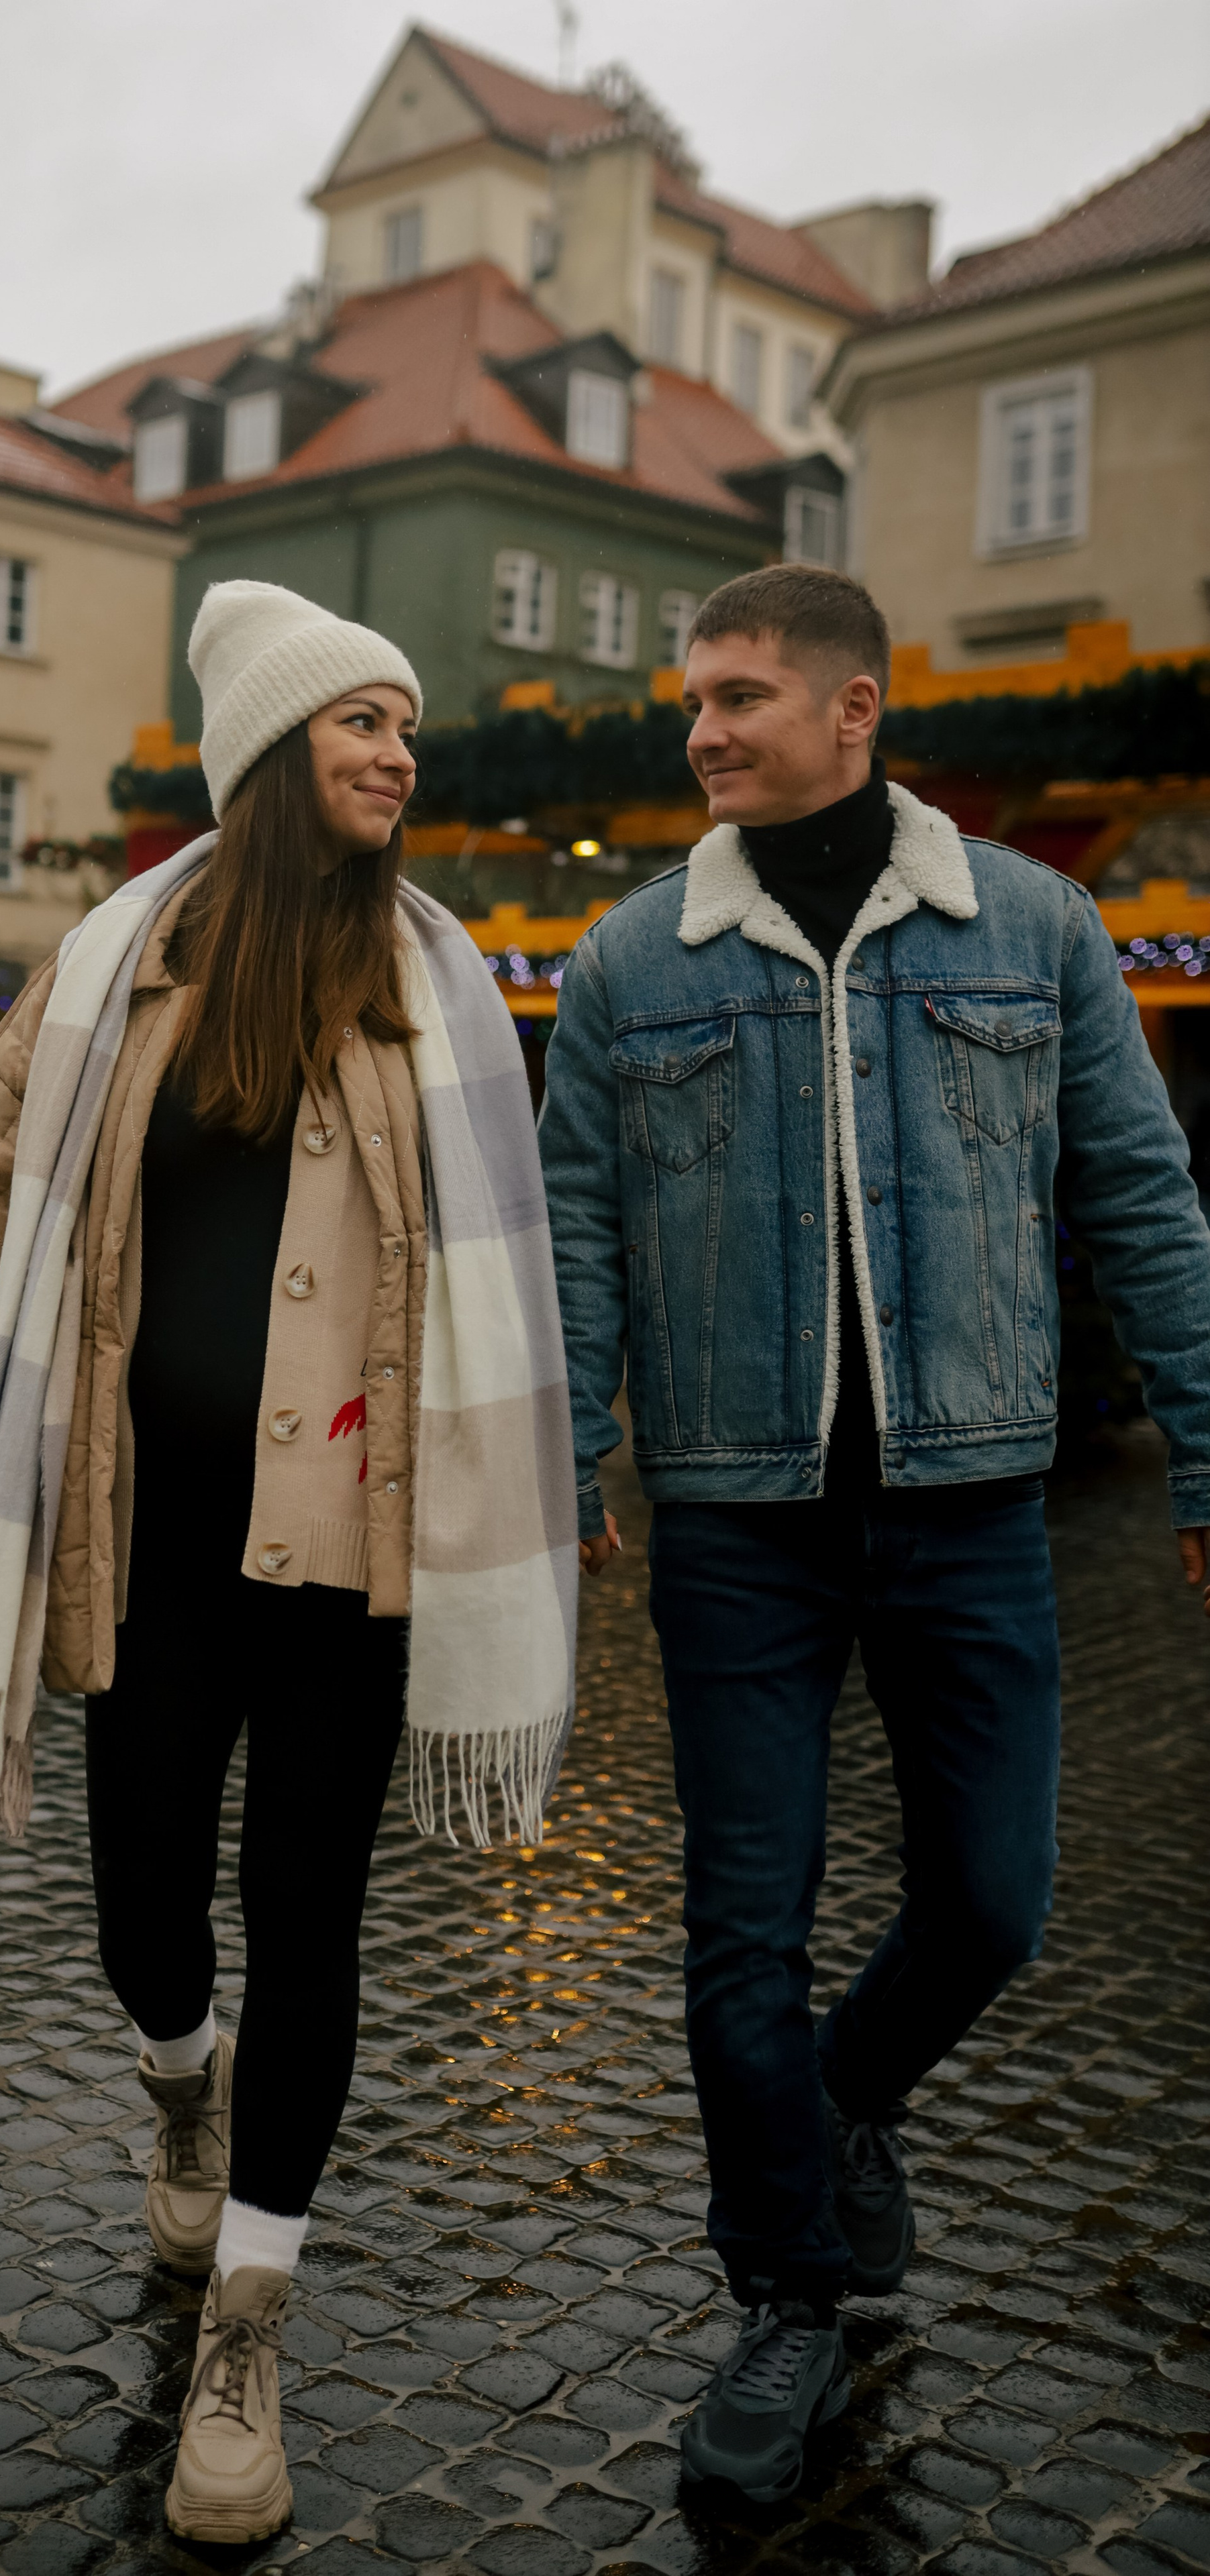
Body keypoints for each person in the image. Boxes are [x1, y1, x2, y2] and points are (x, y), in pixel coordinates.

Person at [0, 580, 577, 2546]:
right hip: (152, 1549)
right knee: (144, 1923)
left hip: (353, 1568)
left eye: (407, 732)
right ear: (273, 755)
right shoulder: (106, 989)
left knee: (313, 1921)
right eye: (361, 723)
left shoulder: (439, 1004)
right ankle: (186, 2088)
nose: (397, 757)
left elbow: (514, 1280)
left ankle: (248, 2329)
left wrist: (543, 1479)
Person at [539, 564, 1210, 2505]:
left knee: (995, 1899)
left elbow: (1149, 1208)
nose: (701, 727)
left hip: (973, 1498)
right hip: (735, 1518)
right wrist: (579, 1448)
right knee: (740, 1926)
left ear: (856, 710)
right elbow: (583, 1229)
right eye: (691, 697)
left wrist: (1206, 1456)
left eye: (741, 693)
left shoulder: (1035, 927)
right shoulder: (628, 960)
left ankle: (836, 2107)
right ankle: (784, 2302)